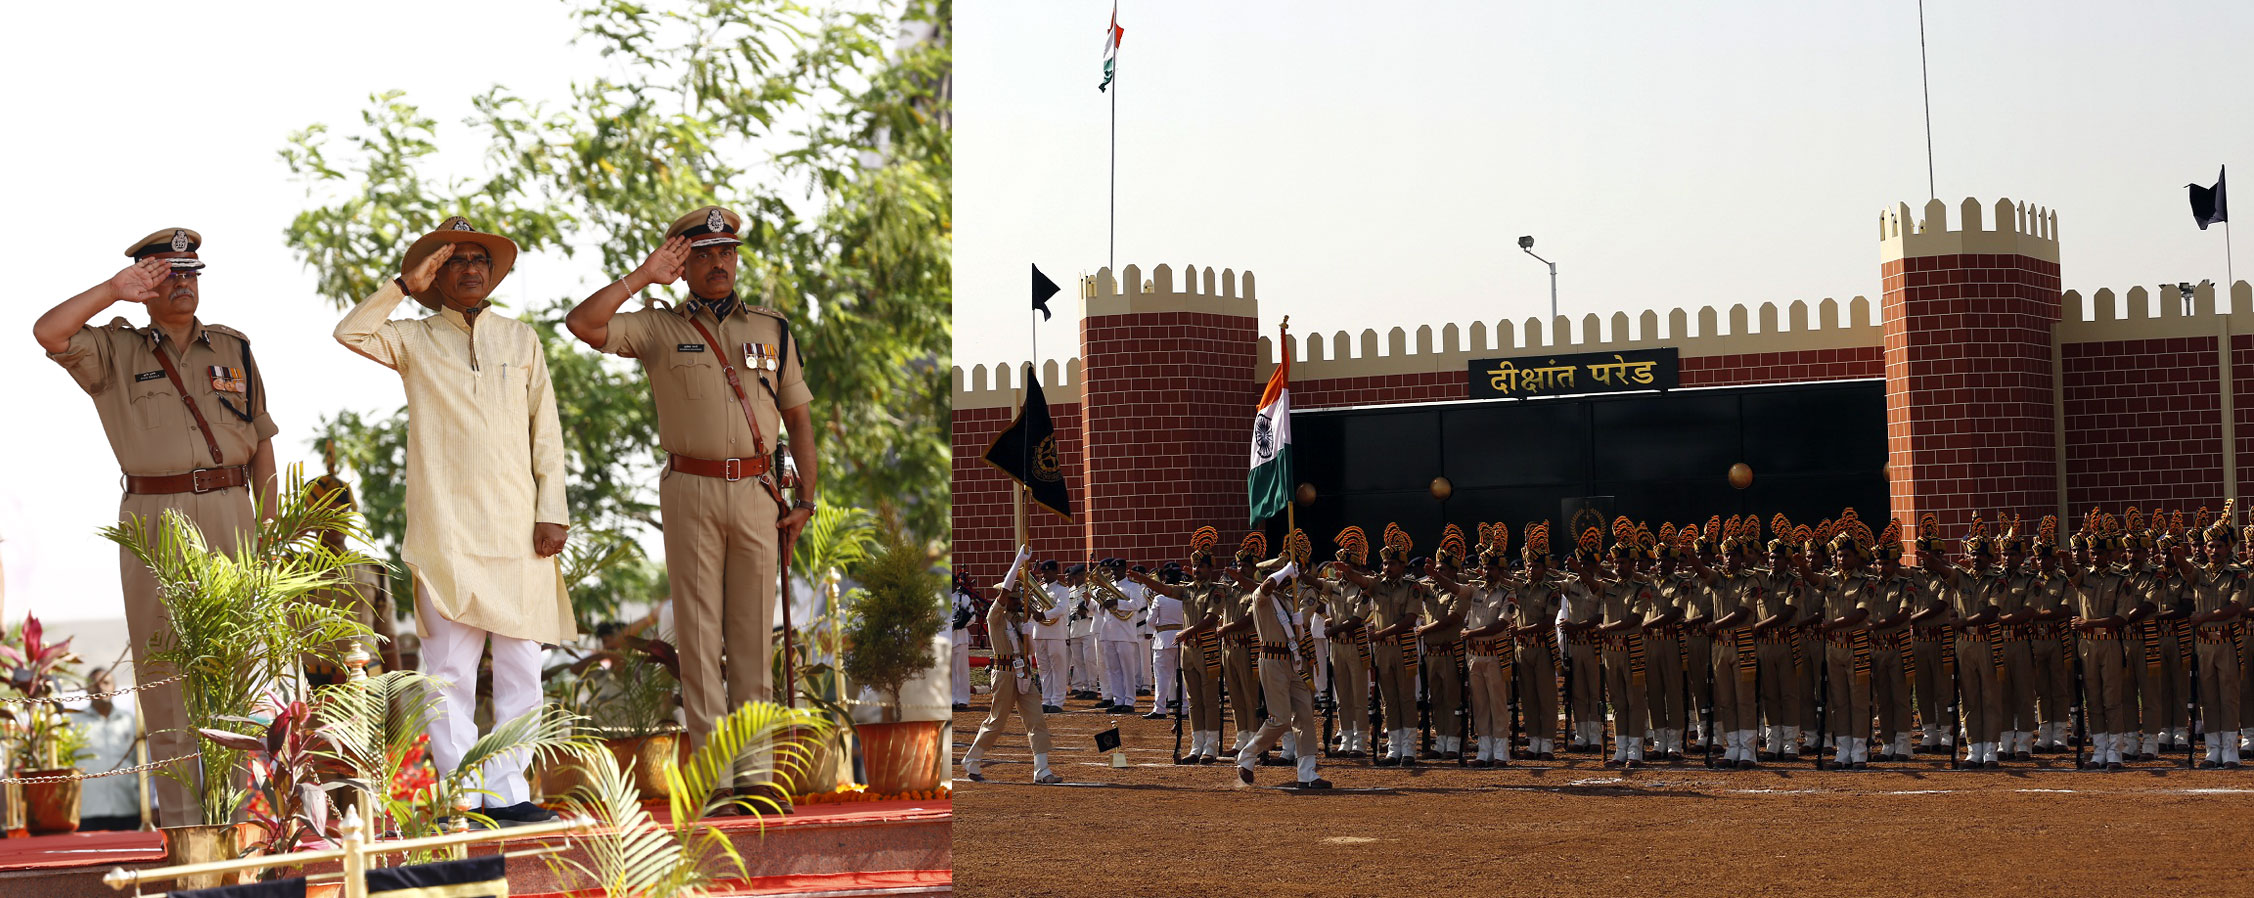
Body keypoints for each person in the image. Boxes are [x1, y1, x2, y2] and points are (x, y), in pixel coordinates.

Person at [564, 207, 818, 809]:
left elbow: (799, 419)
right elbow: (583, 323)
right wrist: (640, 277)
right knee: (701, 639)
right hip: (690, 489)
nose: (718, 263)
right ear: (682, 265)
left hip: (760, 493)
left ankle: (755, 777)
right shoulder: (657, 327)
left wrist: (805, 499)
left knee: (754, 636)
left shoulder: (772, 329)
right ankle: (716, 780)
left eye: (726, 252)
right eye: (702, 254)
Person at [36, 228, 277, 827]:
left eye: (191, 272)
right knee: (165, 670)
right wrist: (111, 291)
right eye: (169, 274)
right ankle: (187, 831)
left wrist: (272, 526)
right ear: (144, 285)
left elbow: (263, 441)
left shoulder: (235, 347)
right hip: (156, 515)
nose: (184, 283)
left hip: (231, 509)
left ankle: (242, 823)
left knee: (235, 663)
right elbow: (49, 332)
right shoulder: (116, 350)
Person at [335, 217, 570, 825]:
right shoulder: (412, 338)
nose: (470, 268)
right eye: (456, 260)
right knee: (447, 677)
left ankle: (510, 796)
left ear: (492, 274)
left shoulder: (521, 339)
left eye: (480, 260)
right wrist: (401, 286)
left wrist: (553, 512)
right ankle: (460, 800)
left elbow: (547, 431)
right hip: (446, 535)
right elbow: (350, 331)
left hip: (521, 534)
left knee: (522, 668)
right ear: (436, 275)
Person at [960, 552, 1062, 784]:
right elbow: (1004, 592)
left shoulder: (1017, 619)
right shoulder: (994, 616)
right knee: (997, 721)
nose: (1018, 603)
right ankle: (972, 760)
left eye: (1019, 600)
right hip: (1004, 672)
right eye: (1015, 600)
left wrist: (1028, 633)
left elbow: (1030, 652)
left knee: (1036, 719)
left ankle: (1042, 770)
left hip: (1022, 671)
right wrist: (1017, 563)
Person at [1234, 547, 1331, 790]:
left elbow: (1301, 627)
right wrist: (1283, 572)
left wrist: (1299, 625)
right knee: (1279, 719)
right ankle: (1247, 755)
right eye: (1280, 572)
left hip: (1294, 660)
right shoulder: (1261, 595)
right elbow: (1266, 587)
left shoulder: (1291, 599)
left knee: (1305, 715)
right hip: (1272, 659)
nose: (1286, 576)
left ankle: (1307, 773)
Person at [1330, 524, 1425, 766]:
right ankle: (1394, 748)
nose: (1387, 568)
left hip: (1402, 646)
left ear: (1402, 566)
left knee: (1406, 698)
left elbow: (1410, 621)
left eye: (1392, 564)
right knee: (1388, 700)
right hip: (1383, 649)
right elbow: (1361, 580)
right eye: (1384, 564)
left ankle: (1409, 748)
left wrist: (1381, 634)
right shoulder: (1378, 584)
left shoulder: (1411, 587)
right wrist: (1348, 572)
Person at [2176, 510, 2245, 768]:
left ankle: (2229, 749)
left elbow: (2235, 608)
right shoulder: (2201, 573)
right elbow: (2187, 572)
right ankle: (2212, 749)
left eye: (2218, 546)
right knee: (2207, 698)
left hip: (2226, 641)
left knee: (2229, 696)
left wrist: (2203, 617)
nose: (2213, 550)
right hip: (2203, 644)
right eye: (2210, 546)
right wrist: (2179, 558)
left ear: (2228, 548)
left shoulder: (2237, 574)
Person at [2065, 514, 2134, 770]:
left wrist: (2088, 623)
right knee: (2092, 699)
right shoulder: (2085, 577)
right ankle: (2099, 750)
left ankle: (2115, 750)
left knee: (2111, 698)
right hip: (2087, 646)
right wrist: (2065, 559)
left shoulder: (2120, 580)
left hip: (2109, 643)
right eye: (2091, 552)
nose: (2094, 557)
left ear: (2110, 554)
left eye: (2098, 553)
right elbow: (2072, 573)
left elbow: (2120, 618)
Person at [73, 667, 143, 832]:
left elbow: (141, 762)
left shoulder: (129, 721)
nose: (100, 687)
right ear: (86, 689)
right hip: (87, 811)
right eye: (95, 684)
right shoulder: (73, 722)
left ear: (114, 687)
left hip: (126, 807)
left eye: (106, 682)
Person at [1095, 559, 1147, 713]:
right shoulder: (1107, 586)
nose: (1114, 573)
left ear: (1124, 570)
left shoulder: (1133, 586)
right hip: (1108, 631)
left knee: (1127, 669)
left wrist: (1117, 602)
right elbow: (1100, 610)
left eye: (1117, 570)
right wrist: (1103, 603)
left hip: (1125, 633)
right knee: (1113, 669)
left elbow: (1137, 604)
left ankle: (1129, 701)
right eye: (1112, 570)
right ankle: (1118, 700)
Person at [1145, 563, 1186, 719]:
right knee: (1182, 676)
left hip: (1163, 639)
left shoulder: (1160, 598)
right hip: (1183, 637)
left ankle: (1160, 709)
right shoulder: (1185, 596)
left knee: (1162, 676)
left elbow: (1150, 621)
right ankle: (1184, 708)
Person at [952, 573, 978, 712]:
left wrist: (958, 624)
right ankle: (951, 699)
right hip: (946, 637)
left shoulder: (963, 598)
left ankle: (962, 699)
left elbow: (972, 617)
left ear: (956, 585)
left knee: (961, 670)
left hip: (960, 638)